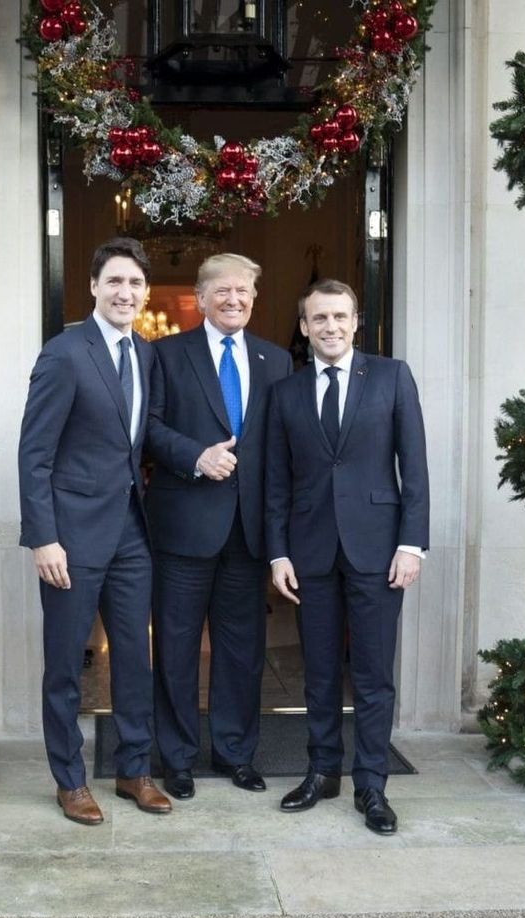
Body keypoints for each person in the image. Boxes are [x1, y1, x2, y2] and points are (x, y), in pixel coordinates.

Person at [264, 279, 429, 835]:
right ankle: (321, 772)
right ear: (304, 327)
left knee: (374, 674)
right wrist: (277, 553)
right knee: (318, 671)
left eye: (340, 316)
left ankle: (372, 786)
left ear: (356, 321)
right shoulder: (285, 394)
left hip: (379, 551)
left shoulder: (391, 376)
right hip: (310, 553)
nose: (330, 327)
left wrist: (411, 544)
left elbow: (416, 468)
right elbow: (275, 482)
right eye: (319, 318)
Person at [18, 237, 171, 824]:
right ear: (92, 287)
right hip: (72, 536)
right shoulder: (64, 353)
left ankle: (134, 770)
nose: (125, 293)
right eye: (114, 282)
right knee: (64, 664)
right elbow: (35, 454)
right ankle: (70, 780)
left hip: (132, 530)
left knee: (135, 656)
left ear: (145, 292)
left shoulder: (147, 354)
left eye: (134, 284)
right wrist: (43, 537)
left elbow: (143, 436)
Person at [145, 254, 292, 799]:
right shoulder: (165, 355)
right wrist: (195, 456)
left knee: (241, 651)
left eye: (245, 291)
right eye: (223, 291)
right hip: (183, 525)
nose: (235, 300)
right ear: (201, 298)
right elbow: (147, 428)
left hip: (248, 532)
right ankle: (178, 759)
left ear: (255, 298)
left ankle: (235, 754)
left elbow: (279, 450)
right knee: (177, 648)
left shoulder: (275, 360)